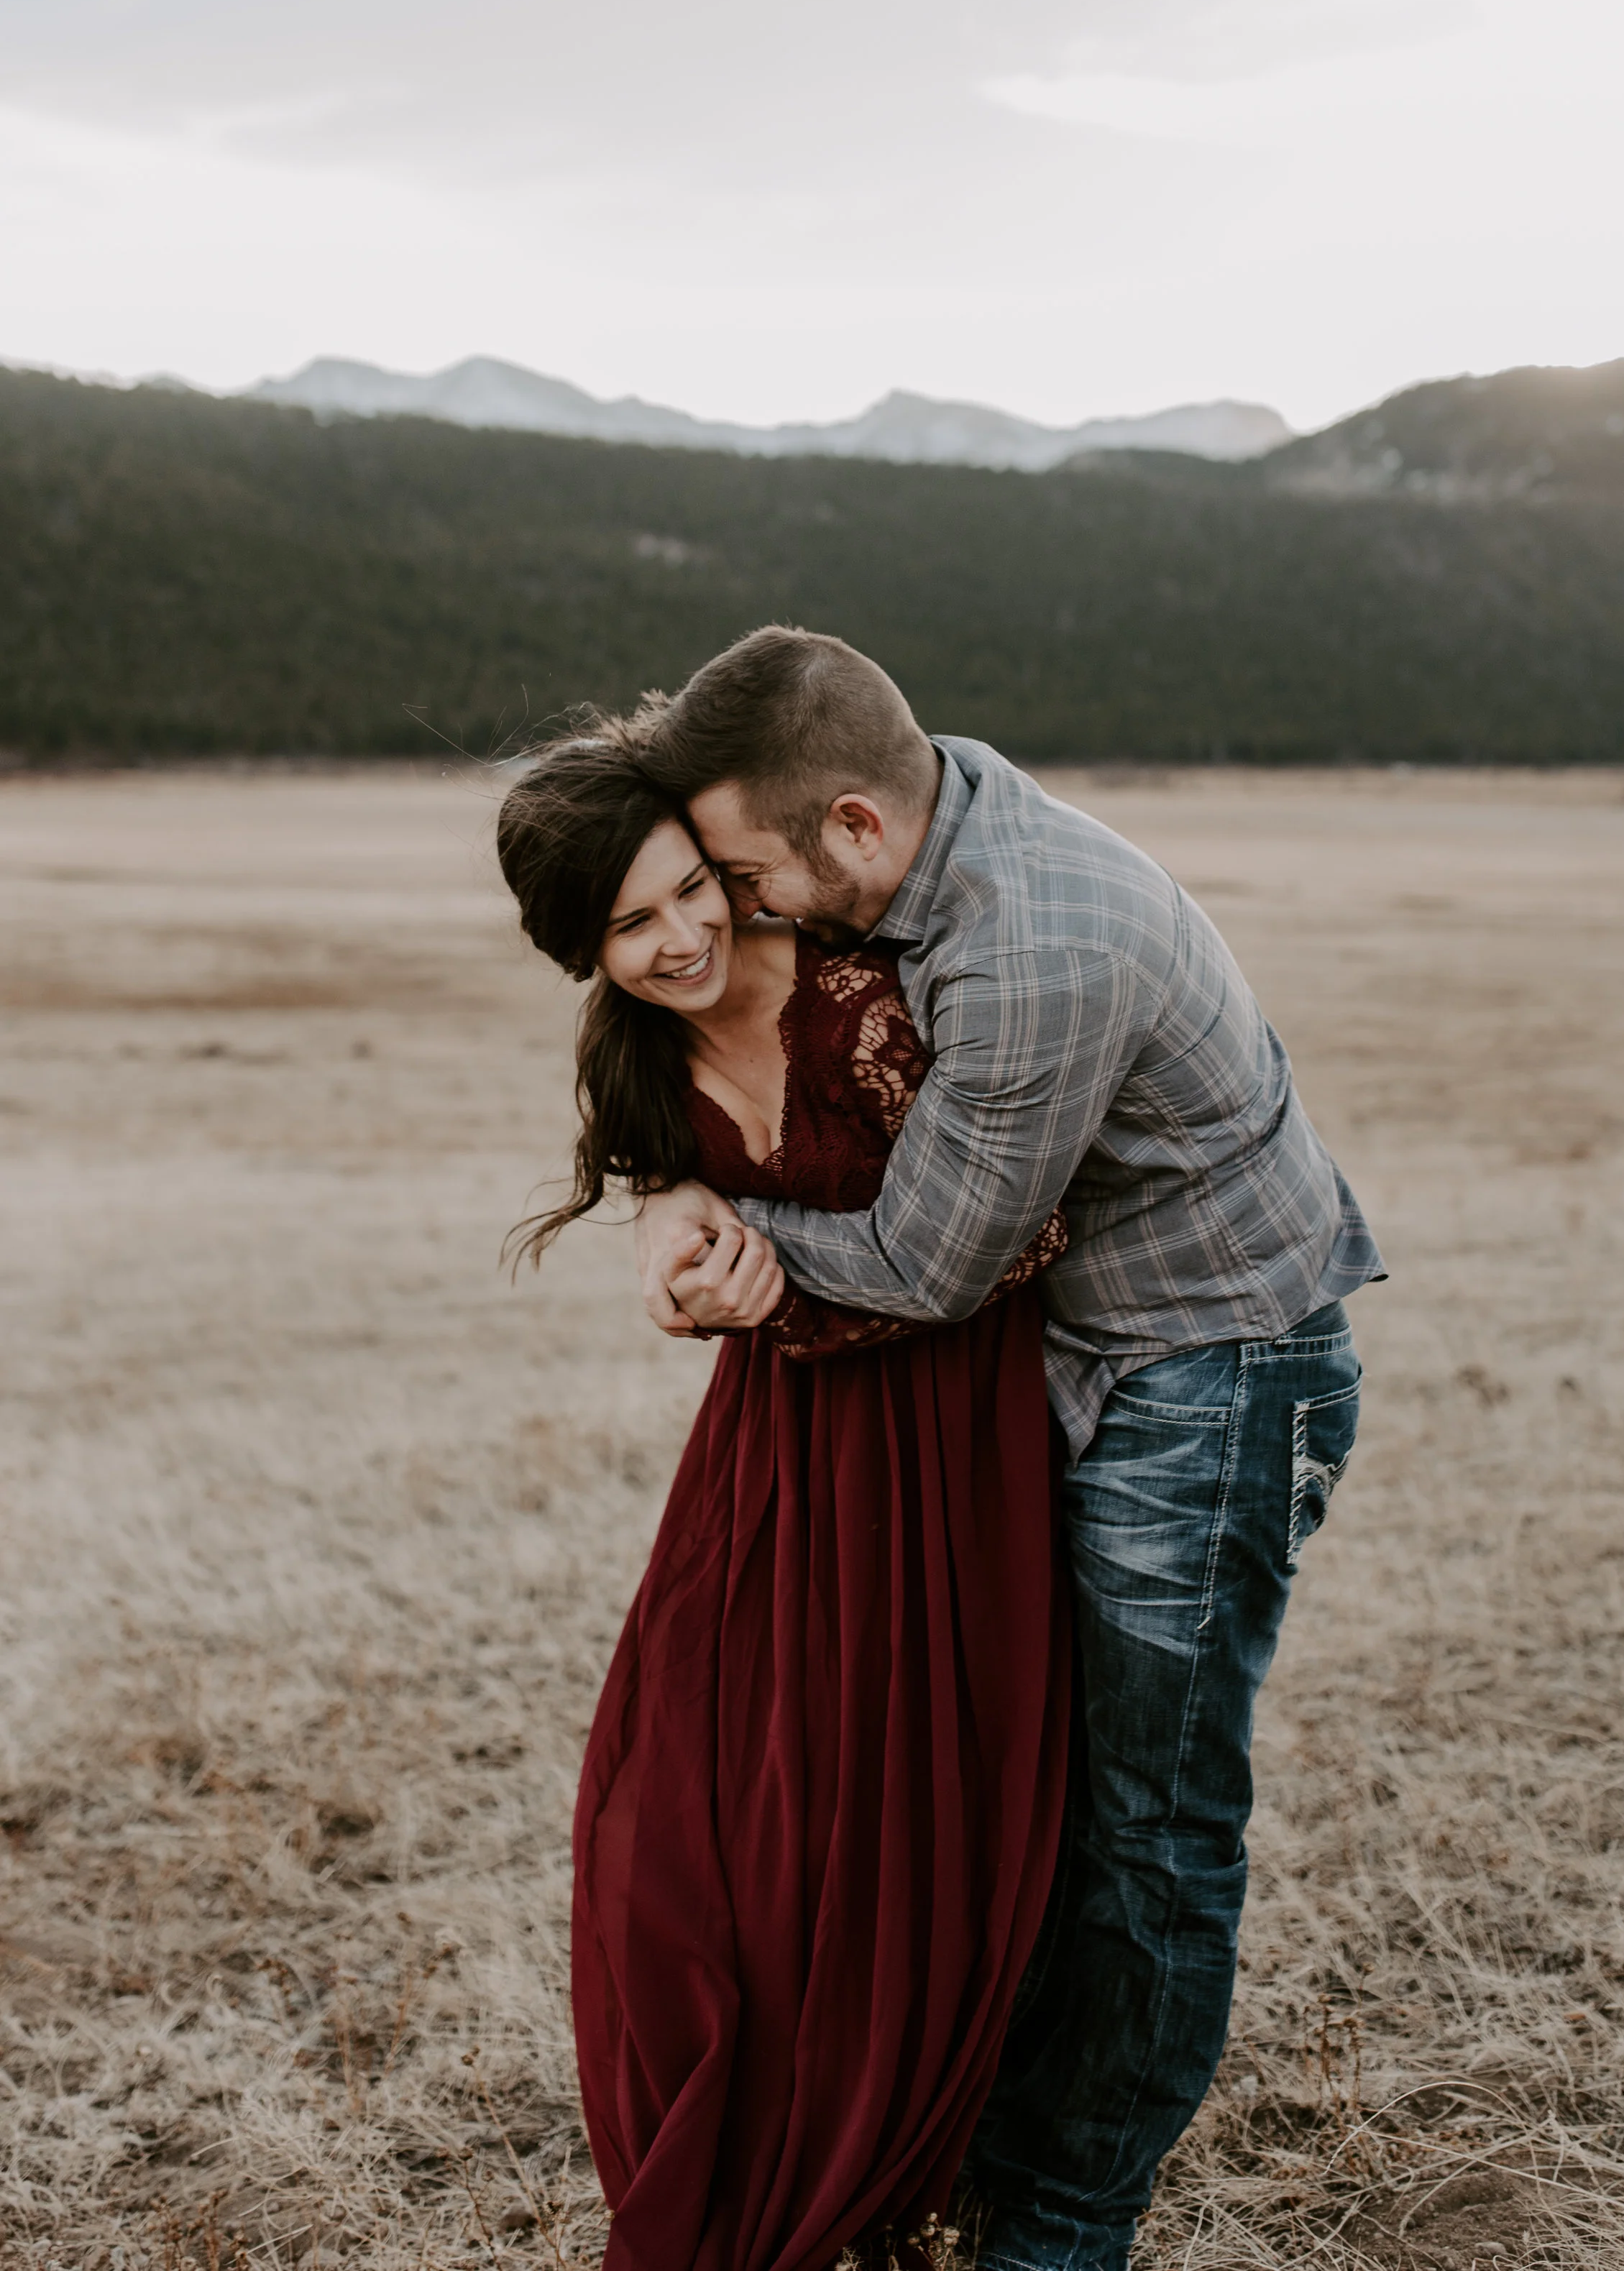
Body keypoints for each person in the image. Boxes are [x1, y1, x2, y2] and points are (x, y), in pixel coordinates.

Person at [632, 628, 1385, 2271]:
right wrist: (667, 1173)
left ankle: (1059, 2223)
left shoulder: (1033, 939)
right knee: (1028, 1782)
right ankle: (977, 2141)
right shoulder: (924, 813)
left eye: (748, 871)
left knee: (1146, 1829)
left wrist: (719, 1239)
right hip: (1093, 1356)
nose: (739, 907)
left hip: (1209, 1371)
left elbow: (923, 1263)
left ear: (847, 825)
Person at [495, 731, 1070, 2271]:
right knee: (665, 1813)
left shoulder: (863, 988)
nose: (681, 937)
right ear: (582, 950)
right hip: (769, 1456)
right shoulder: (634, 1060)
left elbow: (1016, 1231)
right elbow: (661, 1210)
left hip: (951, 1448)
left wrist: (755, 1252)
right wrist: (672, 1256)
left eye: (692, 890)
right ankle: (709, 2159)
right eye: (630, 924)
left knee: (890, 1822)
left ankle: (863, 2176)